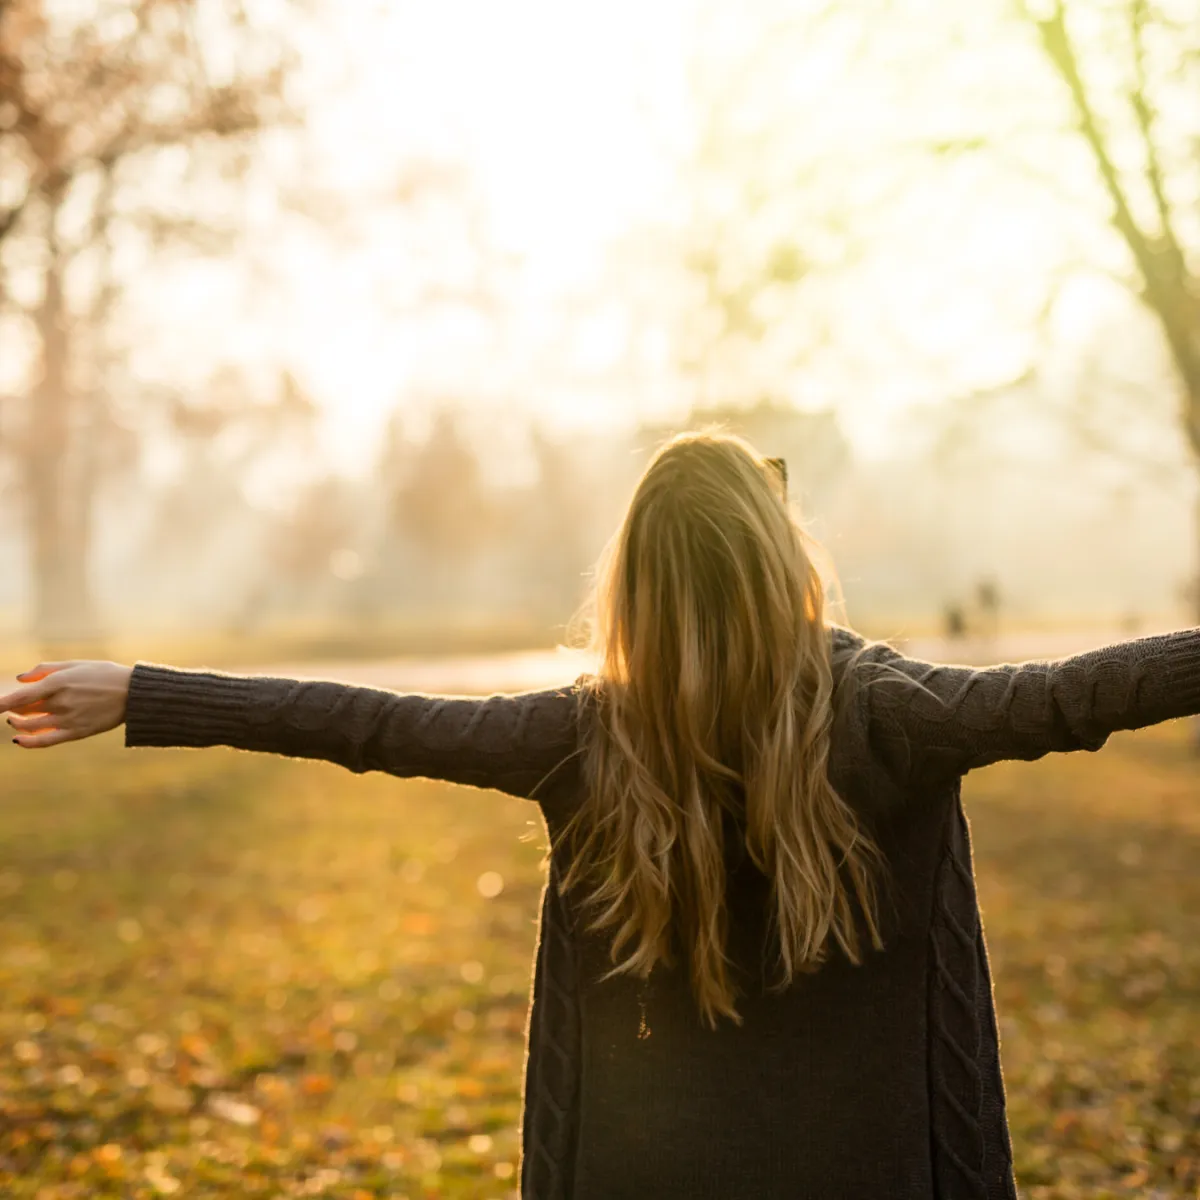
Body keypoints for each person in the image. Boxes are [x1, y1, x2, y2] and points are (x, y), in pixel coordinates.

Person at [4, 430, 1200, 1200]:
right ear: (789, 567)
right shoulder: (894, 715)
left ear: (631, 583)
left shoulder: (586, 740)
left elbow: (365, 722)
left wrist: (144, 694)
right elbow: (1088, 692)